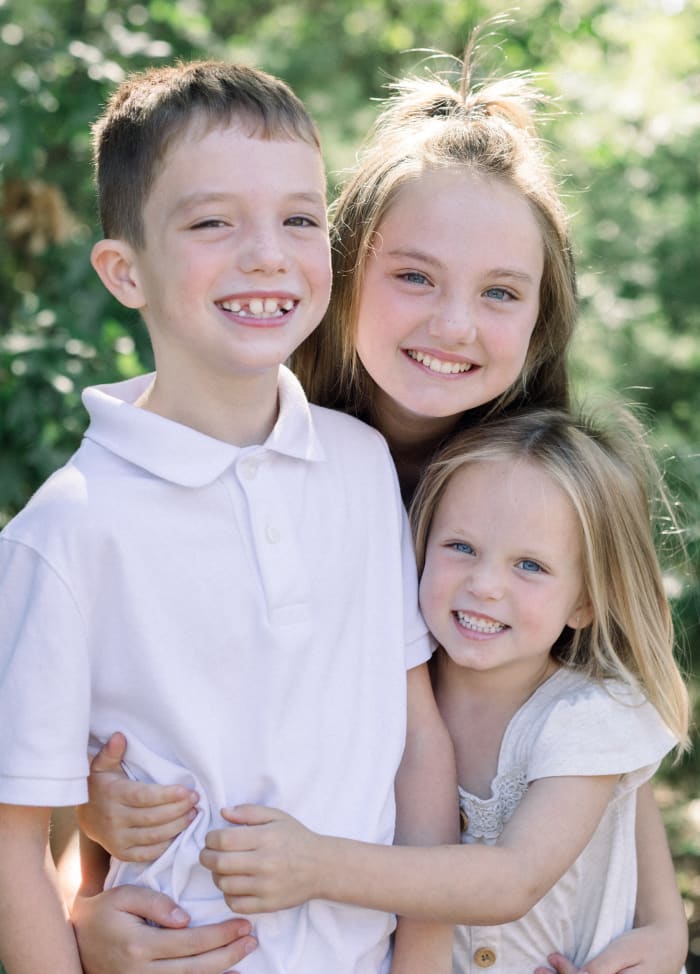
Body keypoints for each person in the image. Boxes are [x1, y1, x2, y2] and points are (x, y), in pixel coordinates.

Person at [70, 39, 689, 974]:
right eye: (413, 276)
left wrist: (663, 923)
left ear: (540, 318)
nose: (453, 326)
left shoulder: (542, 494)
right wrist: (89, 880)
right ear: (340, 265)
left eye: (500, 293)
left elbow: (593, 709)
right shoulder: (250, 455)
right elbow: (158, 704)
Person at [0, 60, 457, 974]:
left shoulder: (361, 466)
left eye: (298, 218)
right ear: (124, 271)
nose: (266, 253)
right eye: (213, 222)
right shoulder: (68, 533)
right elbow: (14, 845)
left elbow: (418, 744)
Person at [191, 407, 690, 974]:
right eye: (461, 547)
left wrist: (315, 865)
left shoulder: (587, 718)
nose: (484, 585)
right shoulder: (380, 695)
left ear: (585, 602)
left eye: (530, 565)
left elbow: (512, 880)